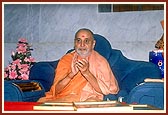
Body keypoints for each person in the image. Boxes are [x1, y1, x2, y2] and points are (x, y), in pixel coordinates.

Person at [38, 28, 119, 102]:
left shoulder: (101, 62)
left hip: (87, 98)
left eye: (86, 41)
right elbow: (56, 90)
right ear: (75, 43)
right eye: (79, 40)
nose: (82, 45)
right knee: (41, 102)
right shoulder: (66, 59)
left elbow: (106, 90)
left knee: (91, 103)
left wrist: (87, 73)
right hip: (63, 98)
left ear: (93, 44)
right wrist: (71, 75)